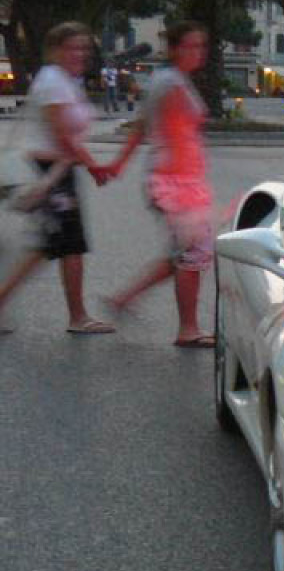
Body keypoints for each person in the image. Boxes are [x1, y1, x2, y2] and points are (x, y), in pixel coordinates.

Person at [103, 21, 216, 347]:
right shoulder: (171, 84)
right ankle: (188, 329)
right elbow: (166, 132)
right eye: (191, 46)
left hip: (176, 179)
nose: (198, 53)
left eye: (201, 46)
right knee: (193, 253)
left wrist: (119, 164)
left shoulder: (169, 80)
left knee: (183, 253)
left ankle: (124, 299)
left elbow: (142, 127)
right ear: (175, 48)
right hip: (175, 183)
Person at [0, 21, 115, 335]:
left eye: (84, 47)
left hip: (59, 172)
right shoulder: (53, 82)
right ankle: (77, 317)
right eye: (72, 47)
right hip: (49, 172)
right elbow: (63, 136)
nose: (80, 53)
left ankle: (77, 315)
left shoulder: (65, 80)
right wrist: (94, 167)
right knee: (61, 244)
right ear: (54, 50)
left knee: (60, 245)